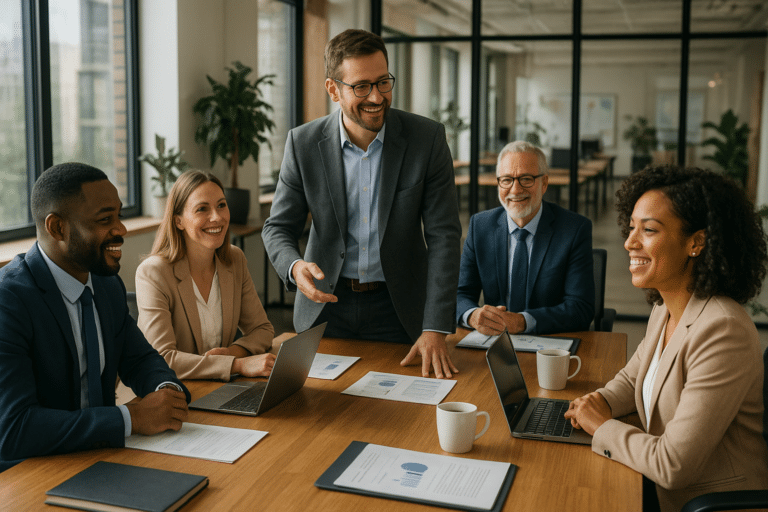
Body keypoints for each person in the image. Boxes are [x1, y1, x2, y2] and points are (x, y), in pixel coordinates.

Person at [564, 165, 768, 511]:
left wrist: (601, 424)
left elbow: (672, 465)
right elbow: (633, 379)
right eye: (631, 229)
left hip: (703, 502)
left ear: (696, 242)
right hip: (652, 481)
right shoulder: (667, 305)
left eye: (649, 230)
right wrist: (592, 403)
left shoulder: (723, 330)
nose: (630, 242)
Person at [262, 29, 462, 378]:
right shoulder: (303, 144)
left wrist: (435, 326)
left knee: (405, 416)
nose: (377, 96)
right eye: (361, 86)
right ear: (333, 90)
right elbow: (278, 227)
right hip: (325, 307)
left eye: (383, 82)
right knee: (319, 416)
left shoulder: (426, 139)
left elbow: (444, 236)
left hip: (399, 309)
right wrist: (295, 267)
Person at [0, 163, 190, 472]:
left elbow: (140, 359)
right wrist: (132, 418)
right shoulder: (9, 299)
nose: (121, 229)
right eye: (105, 220)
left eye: (119, 216)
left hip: (103, 460)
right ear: (57, 228)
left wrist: (165, 391)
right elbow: (15, 429)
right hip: (33, 473)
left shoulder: (105, 284)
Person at [136, 171, 275, 381]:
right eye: (202, 209)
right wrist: (236, 365)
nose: (217, 217)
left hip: (220, 388)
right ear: (178, 221)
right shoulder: (153, 272)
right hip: (176, 391)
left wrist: (231, 354)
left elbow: (262, 329)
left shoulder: (234, 260)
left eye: (221, 205)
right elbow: (161, 358)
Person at [456, 141, 594, 335]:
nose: (515, 190)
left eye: (526, 179)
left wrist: (522, 321)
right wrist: (472, 315)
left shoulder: (574, 230)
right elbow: (459, 294)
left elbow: (580, 308)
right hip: (495, 345)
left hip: (548, 345)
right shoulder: (480, 226)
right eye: (506, 180)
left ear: (544, 183)